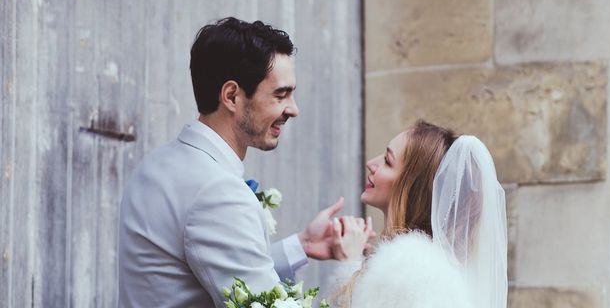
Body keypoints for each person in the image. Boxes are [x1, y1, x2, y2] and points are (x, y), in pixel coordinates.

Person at [118, 17, 357, 307]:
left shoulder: (156, 165)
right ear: (232, 96)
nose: (293, 109)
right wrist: (352, 270)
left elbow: (207, 270)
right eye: (281, 95)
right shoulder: (217, 191)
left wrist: (302, 245)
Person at [331, 120, 508, 308]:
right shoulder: (434, 268)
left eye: (387, 161)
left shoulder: (407, 268)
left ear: (414, 190)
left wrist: (349, 261)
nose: (371, 164)